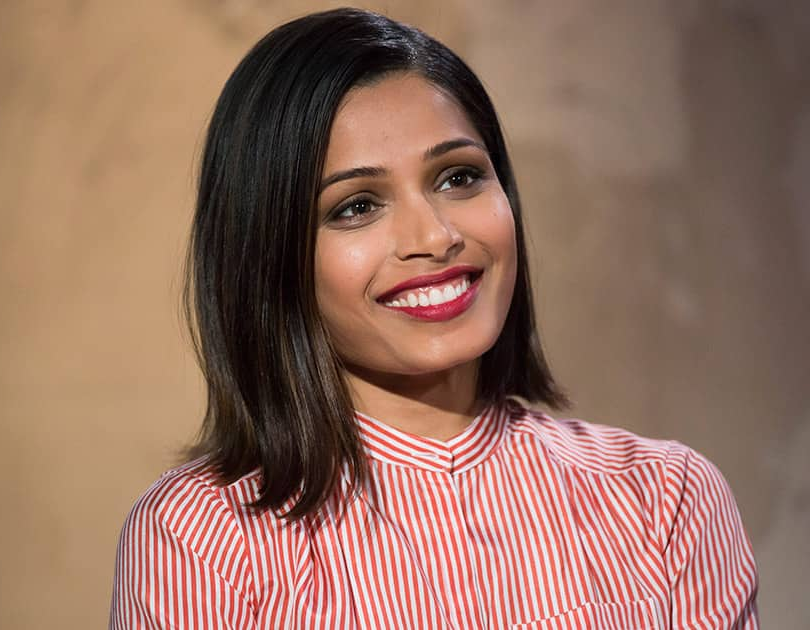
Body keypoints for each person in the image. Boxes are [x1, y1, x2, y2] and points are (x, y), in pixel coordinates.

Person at [109, 8, 759, 629]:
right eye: (357, 206)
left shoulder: (665, 502)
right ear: (271, 254)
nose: (435, 235)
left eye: (458, 178)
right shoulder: (198, 537)